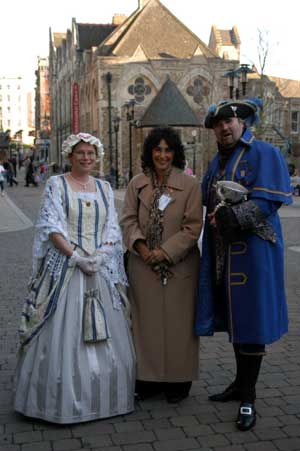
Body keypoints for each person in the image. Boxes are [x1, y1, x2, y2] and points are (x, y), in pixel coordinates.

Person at [14, 132, 135, 424]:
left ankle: (104, 398)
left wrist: (102, 255)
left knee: (108, 328)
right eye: (80, 153)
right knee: (60, 333)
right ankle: (59, 401)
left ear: (97, 157)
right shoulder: (57, 185)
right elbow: (51, 225)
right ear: (70, 156)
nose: (86, 158)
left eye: (91, 153)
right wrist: (76, 256)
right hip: (67, 266)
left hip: (98, 268)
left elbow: (111, 228)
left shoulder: (105, 187)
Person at [195, 99, 293, 431]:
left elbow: (269, 201)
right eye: (217, 125)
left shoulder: (264, 152)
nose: (224, 128)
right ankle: (239, 384)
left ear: (242, 122)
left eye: (230, 121)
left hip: (254, 253)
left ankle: (249, 397)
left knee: (252, 320)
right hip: (224, 253)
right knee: (237, 320)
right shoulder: (215, 163)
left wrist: (232, 216)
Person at [121, 127, 202, 403]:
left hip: (179, 267)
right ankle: (148, 378)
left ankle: (179, 379)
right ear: (150, 152)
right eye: (158, 149)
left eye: (168, 150)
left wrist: (165, 252)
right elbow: (128, 220)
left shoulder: (190, 186)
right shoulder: (137, 184)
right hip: (142, 266)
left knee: (179, 326)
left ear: (175, 153)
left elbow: (192, 227)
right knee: (146, 324)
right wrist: (143, 249)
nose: (163, 155)